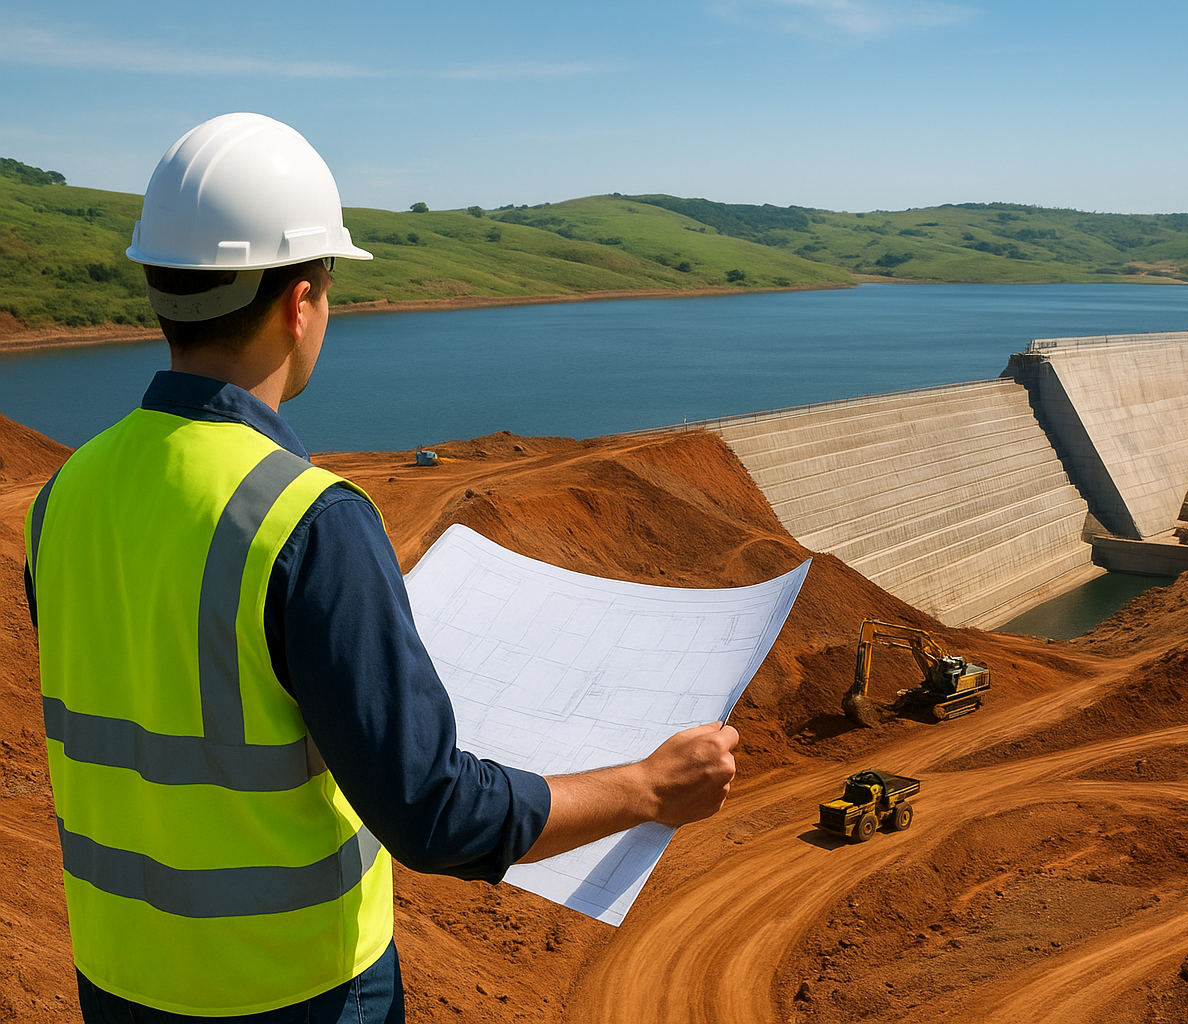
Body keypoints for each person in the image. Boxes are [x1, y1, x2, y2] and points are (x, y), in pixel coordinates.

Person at [22, 112, 739, 1022]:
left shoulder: (65, 495)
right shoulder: (305, 520)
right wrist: (646, 787)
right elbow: (431, 811)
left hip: (120, 978)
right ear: (300, 302)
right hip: (295, 989)